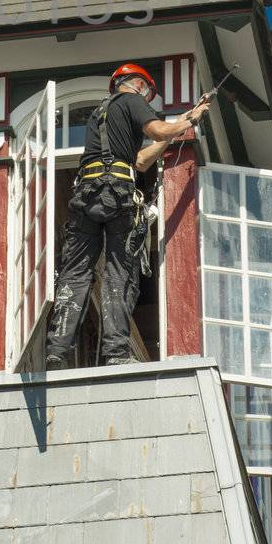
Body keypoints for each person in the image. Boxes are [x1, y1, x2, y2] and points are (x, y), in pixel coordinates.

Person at [45, 63, 211, 370]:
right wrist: (189, 117)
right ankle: (116, 352)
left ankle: (56, 350)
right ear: (137, 84)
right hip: (118, 196)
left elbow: (142, 160)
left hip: (87, 195)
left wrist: (172, 135)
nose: (147, 98)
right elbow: (157, 129)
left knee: (76, 272)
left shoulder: (101, 113)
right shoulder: (132, 100)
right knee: (119, 274)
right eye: (147, 91)